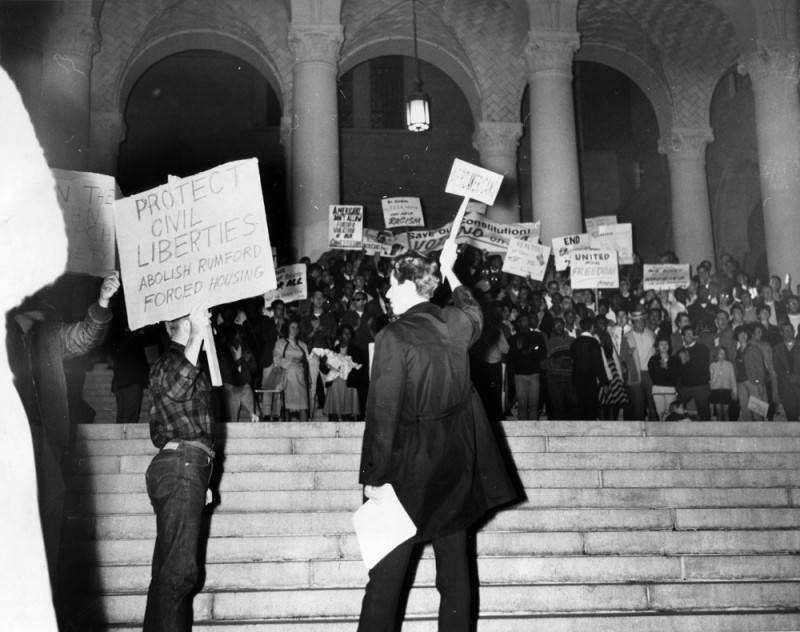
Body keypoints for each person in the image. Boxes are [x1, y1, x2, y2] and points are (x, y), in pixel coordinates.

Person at [357, 242, 517, 631]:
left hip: (407, 470)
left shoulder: (394, 336)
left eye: (392, 286)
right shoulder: (454, 325)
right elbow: (474, 312)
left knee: (386, 580)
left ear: (410, 285)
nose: (388, 294)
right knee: (455, 574)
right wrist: (452, 272)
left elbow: (383, 414)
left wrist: (373, 479)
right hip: (456, 466)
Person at [143, 305, 216, 632]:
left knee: (166, 575)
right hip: (182, 464)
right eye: (199, 317)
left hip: (187, 466)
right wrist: (199, 333)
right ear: (183, 323)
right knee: (178, 575)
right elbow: (175, 388)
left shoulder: (178, 363)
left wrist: (203, 474)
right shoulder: (170, 362)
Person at [506, 314, 547, 420]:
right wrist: (519, 351)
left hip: (534, 373)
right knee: (522, 405)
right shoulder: (513, 338)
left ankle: (533, 429)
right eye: (522, 320)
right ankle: (524, 430)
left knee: (534, 405)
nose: (524, 322)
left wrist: (532, 351)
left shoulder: (537, 336)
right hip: (519, 375)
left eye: (526, 320)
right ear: (518, 323)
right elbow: (509, 357)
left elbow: (542, 353)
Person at [322, 324, 364, 421]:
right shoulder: (333, 350)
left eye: (349, 334)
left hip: (348, 384)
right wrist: (324, 363)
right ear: (340, 335)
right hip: (335, 384)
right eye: (345, 333)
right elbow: (325, 370)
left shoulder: (356, 351)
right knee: (333, 415)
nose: (347, 336)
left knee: (347, 414)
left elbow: (359, 370)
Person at [570, 317, 609, 420]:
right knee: (590, 410)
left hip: (577, 381)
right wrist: (604, 382)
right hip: (590, 381)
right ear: (592, 328)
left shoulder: (575, 342)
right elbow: (598, 364)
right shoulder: (593, 343)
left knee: (579, 410)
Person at [273, 319, 310, 420]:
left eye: (297, 328)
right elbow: (277, 359)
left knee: (302, 400)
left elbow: (307, 360)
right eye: (292, 327)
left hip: (300, 374)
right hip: (287, 373)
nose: (295, 330)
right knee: (291, 373)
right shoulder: (281, 343)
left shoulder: (302, 344)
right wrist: (290, 362)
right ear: (287, 329)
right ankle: (291, 411)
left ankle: (301, 416)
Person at [675, 325, 712, 420]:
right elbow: (678, 372)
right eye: (687, 334)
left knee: (704, 413)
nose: (690, 336)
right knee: (677, 408)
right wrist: (678, 388)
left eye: (691, 334)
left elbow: (703, 366)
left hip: (700, 386)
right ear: (682, 337)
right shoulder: (679, 352)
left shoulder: (702, 348)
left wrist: (688, 358)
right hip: (685, 387)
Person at [648, 337, 682, 420]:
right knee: (660, 415)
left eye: (666, 344)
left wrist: (667, 368)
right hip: (657, 390)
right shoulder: (653, 360)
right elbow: (654, 377)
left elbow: (676, 376)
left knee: (670, 415)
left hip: (670, 390)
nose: (664, 346)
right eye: (661, 344)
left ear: (669, 346)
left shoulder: (675, 359)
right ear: (657, 347)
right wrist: (666, 371)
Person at [773, 321, 800, 420]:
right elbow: (777, 367)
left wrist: (797, 377)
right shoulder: (776, 349)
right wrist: (789, 377)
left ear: (794, 332)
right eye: (785, 331)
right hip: (786, 388)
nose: (787, 333)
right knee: (791, 418)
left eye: (789, 330)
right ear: (781, 333)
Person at [709, 346, 737, 420]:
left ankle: (727, 428)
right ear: (717, 354)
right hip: (715, 390)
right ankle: (719, 429)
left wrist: (734, 392)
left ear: (726, 355)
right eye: (720, 353)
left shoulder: (729, 365)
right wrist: (716, 375)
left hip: (726, 390)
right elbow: (710, 381)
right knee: (718, 412)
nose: (722, 355)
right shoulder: (712, 365)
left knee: (726, 411)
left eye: (723, 354)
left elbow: (733, 379)